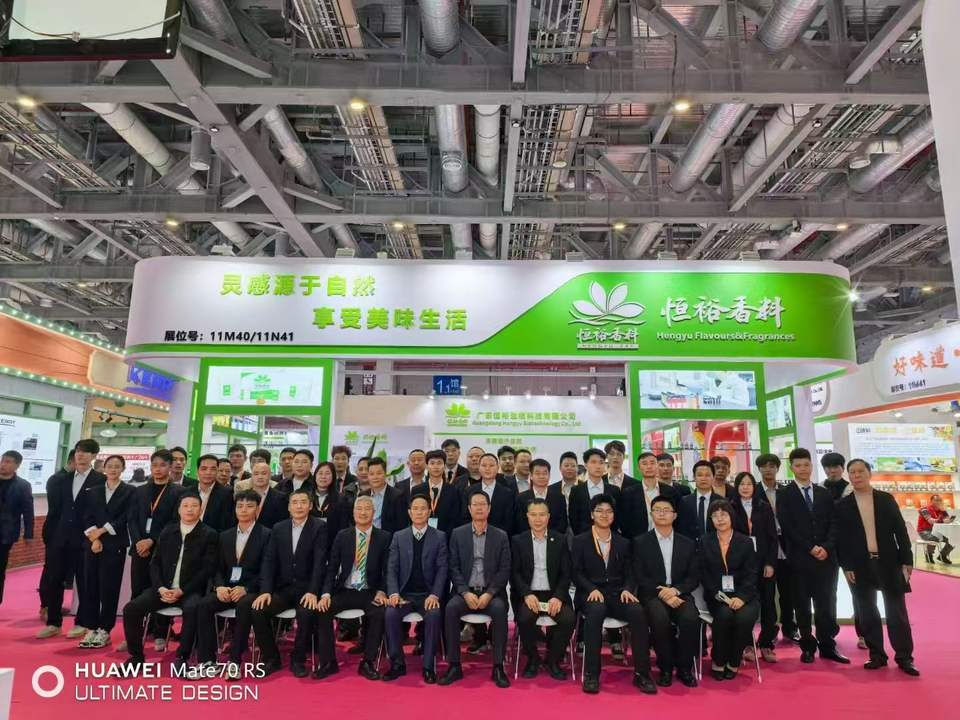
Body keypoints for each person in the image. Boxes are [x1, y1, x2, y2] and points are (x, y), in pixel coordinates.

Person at [836, 459, 919, 676]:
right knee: (867, 612)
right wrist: (847, 565)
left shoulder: (885, 499)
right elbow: (842, 540)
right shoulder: (843, 505)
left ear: (869, 473)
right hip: (860, 565)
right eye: (852, 472)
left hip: (890, 562)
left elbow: (900, 531)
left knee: (897, 612)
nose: (856, 475)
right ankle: (877, 655)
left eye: (860, 471)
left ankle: (904, 657)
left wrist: (907, 560)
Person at [121, 492, 218, 669]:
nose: (190, 509)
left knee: (193, 609)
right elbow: (155, 563)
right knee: (131, 609)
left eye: (194, 506)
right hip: (163, 589)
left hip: (189, 591)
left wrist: (182, 590)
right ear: (179, 510)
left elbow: (207, 570)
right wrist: (160, 588)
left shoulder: (209, 534)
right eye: (185, 506)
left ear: (201, 508)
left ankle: (182, 656)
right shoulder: (167, 531)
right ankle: (136, 657)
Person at [572, 494, 655, 695]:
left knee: (637, 612)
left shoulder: (623, 542)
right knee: (595, 612)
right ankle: (592, 674)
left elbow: (631, 572)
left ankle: (642, 674)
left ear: (614, 515)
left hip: (617, 593)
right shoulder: (580, 540)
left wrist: (627, 588)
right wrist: (591, 589)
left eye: (609, 511)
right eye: (599, 511)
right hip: (590, 593)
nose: (604, 515)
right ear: (592, 514)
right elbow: (575, 572)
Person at [777, 448, 848, 665]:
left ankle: (828, 645)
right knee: (802, 606)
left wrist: (826, 547)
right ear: (792, 467)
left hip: (826, 559)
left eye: (806, 465)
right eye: (798, 465)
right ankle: (807, 646)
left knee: (827, 604)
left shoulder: (823, 493)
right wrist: (810, 548)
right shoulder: (785, 494)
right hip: (799, 559)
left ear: (811, 466)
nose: (803, 469)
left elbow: (834, 523)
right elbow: (787, 527)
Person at [191, 490, 271, 679]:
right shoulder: (225, 535)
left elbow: (267, 570)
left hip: (251, 590)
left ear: (257, 509)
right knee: (203, 605)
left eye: (249, 506)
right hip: (227, 589)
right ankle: (207, 661)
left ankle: (235, 661)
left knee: (244, 605)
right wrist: (219, 586)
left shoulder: (267, 535)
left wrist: (247, 588)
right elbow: (217, 567)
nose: (244, 510)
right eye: (240, 506)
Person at [252, 488, 328, 677]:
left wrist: (313, 591)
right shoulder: (279, 528)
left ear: (310, 506)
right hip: (283, 589)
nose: (299, 506)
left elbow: (320, 563)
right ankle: (271, 658)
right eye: (295, 502)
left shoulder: (319, 527)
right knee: (258, 610)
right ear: (288, 507)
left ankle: (298, 659)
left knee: (306, 614)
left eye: (303, 502)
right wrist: (265, 590)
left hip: (307, 589)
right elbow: (269, 561)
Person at [440, 489, 512, 688]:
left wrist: (489, 593)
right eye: (475, 505)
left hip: (491, 592)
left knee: (499, 609)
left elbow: (504, 569)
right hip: (466, 591)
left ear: (489, 508)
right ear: (469, 509)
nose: (479, 508)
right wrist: (465, 592)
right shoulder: (458, 534)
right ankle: (454, 665)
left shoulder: (501, 536)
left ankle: (498, 666)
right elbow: (453, 567)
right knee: (450, 608)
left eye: (483, 504)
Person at [316, 496, 391, 680]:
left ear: (374, 513)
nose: (363, 512)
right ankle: (328, 662)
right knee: (322, 610)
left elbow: (388, 570)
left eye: (367, 509)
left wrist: (382, 591)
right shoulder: (342, 536)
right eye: (359, 509)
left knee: (379, 612)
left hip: (370, 591)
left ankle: (368, 662)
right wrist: (325, 594)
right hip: (345, 589)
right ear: (353, 512)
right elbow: (331, 568)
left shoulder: (384, 537)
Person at [38, 438, 106, 640]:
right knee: (54, 580)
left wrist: (96, 536)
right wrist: (49, 536)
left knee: (84, 581)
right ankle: (53, 622)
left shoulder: (100, 480)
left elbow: (101, 512)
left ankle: (82, 622)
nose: (80, 454)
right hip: (59, 539)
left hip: (86, 539)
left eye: (85, 451)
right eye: (78, 451)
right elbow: (55, 511)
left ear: (94, 456)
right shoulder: (62, 479)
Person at [632, 495, 699, 687]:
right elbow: (639, 575)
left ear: (675, 515)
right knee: (659, 619)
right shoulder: (640, 542)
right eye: (657, 510)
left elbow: (693, 577)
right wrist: (662, 593)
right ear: (651, 514)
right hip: (652, 595)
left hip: (680, 594)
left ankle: (685, 668)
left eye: (666, 510)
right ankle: (666, 668)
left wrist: (675, 591)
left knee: (690, 618)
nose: (662, 514)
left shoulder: (687, 543)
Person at [383, 494, 448, 683]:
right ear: (409, 513)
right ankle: (397, 664)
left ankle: (428, 666)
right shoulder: (399, 536)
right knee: (390, 613)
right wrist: (394, 593)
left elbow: (442, 569)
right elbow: (392, 568)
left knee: (434, 615)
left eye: (423, 508)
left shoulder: (439, 537)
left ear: (429, 512)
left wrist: (435, 594)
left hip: (428, 595)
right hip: (404, 595)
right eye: (415, 509)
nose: (419, 512)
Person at [511, 498, 575, 680]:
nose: (537, 519)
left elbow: (566, 573)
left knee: (568, 619)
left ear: (548, 517)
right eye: (533, 515)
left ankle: (553, 660)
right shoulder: (518, 540)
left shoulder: (560, 540)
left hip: (553, 594)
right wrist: (526, 594)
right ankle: (533, 659)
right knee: (525, 618)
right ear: (527, 517)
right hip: (530, 593)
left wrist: (558, 596)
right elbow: (514, 573)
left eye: (542, 515)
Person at [126, 448, 182, 651]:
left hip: (163, 550)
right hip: (140, 549)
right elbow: (132, 519)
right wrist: (139, 541)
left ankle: (160, 632)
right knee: (137, 591)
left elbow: (174, 522)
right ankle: (135, 634)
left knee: (161, 589)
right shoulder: (139, 491)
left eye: (163, 465)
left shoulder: (178, 492)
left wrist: (152, 540)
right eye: (155, 465)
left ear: (170, 467)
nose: (158, 469)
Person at [700, 499, 760, 680]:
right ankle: (718, 659)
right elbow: (704, 573)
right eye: (715, 516)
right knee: (724, 615)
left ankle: (733, 661)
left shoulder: (746, 542)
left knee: (744, 618)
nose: (720, 519)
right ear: (711, 520)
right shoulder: (705, 541)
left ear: (731, 517)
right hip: (717, 596)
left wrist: (741, 597)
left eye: (723, 515)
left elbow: (752, 573)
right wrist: (719, 595)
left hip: (745, 596)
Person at [78, 454, 133, 649]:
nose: (113, 469)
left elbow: (126, 517)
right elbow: (86, 516)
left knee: (109, 588)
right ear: (104, 468)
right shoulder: (93, 491)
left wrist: (102, 532)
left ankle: (105, 629)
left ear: (123, 469)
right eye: (110, 466)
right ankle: (91, 627)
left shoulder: (129, 491)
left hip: (114, 544)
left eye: (117, 466)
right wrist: (94, 538)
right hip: (92, 544)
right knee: (90, 586)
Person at [730, 471, 779, 663]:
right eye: (741, 484)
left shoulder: (763, 506)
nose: (745, 487)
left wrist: (770, 563)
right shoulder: (730, 506)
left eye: (749, 484)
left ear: (754, 486)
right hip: (741, 564)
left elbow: (772, 538)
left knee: (768, 604)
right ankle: (746, 644)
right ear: (736, 487)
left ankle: (766, 643)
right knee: (744, 605)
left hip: (763, 562)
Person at [755, 452, 799, 643]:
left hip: (787, 546)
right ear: (759, 469)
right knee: (767, 595)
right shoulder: (754, 491)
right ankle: (769, 632)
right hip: (765, 548)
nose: (768, 469)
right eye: (764, 466)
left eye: (772, 466)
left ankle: (790, 628)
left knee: (789, 592)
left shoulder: (786, 491)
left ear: (777, 469)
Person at [0, 450, 33, 607]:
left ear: (17, 465)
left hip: (5, 534)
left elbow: (28, 511)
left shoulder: (23, 486)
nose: (3, 464)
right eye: (2, 460)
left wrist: (28, 534)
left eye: (8, 462)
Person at [620, 452, 678, 540]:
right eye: (644, 463)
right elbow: (625, 523)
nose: (649, 466)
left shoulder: (670, 491)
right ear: (639, 468)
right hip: (638, 541)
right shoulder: (629, 493)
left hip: (666, 539)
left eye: (652, 463)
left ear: (657, 466)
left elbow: (677, 519)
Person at [568, 449, 622, 536]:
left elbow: (617, 516)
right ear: (586, 465)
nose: (598, 466)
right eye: (593, 462)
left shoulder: (614, 490)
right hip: (583, 538)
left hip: (609, 537)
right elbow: (573, 518)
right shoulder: (576, 491)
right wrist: (581, 537)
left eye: (601, 462)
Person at [411, 451, 465, 535]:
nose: (436, 467)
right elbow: (413, 515)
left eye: (439, 463)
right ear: (426, 466)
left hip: (446, 536)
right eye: (432, 463)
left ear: (444, 466)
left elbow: (455, 518)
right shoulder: (417, 490)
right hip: (422, 534)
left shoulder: (453, 490)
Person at [468, 453, 517, 536]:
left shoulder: (508, 493)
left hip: (499, 537)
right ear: (479, 468)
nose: (487, 469)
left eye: (491, 465)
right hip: (473, 536)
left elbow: (509, 521)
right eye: (484, 465)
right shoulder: (469, 491)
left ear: (498, 468)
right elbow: (465, 517)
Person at [514, 458, 567, 534]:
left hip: (553, 538)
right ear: (531, 476)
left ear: (549, 475)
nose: (541, 476)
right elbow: (520, 524)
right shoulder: (521, 498)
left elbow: (562, 523)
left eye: (545, 473)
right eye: (537, 473)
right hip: (527, 539)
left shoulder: (559, 497)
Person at [678, 460, 723, 543]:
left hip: (715, 546)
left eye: (707, 475)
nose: (703, 478)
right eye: (699, 475)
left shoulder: (721, 502)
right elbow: (681, 528)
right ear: (694, 477)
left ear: (713, 477)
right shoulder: (684, 501)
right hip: (690, 546)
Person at [362, 457, 408, 533]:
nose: (375, 477)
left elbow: (401, 526)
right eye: (371, 474)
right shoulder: (363, 495)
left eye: (379, 473)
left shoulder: (398, 496)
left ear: (385, 474)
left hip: (389, 538)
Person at [195, 454, 234, 532]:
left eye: (213, 469)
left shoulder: (227, 494)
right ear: (197, 471)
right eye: (204, 469)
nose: (208, 472)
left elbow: (226, 525)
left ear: (217, 471)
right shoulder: (187, 491)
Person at [250, 461, 289, 529]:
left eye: (264, 473)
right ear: (252, 476)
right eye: (256, 474)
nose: (260, 477)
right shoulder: (243, 496)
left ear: (270, 475)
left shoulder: (281, 498)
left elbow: (283, 524)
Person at [918, 494, 955, 564]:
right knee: (934, 537)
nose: (939, 502)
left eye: (940, 500)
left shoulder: (941, 510)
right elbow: (930, 521)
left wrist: (944, 511)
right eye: (936, 500)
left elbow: (947, 520)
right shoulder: (924, 509)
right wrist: (943, 521)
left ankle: (943, 556)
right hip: (924, 531)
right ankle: (929, 555)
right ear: (931, 501)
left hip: (936, 531)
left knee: (953, 539)